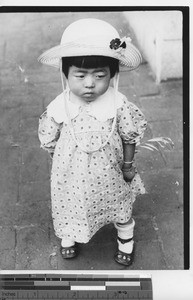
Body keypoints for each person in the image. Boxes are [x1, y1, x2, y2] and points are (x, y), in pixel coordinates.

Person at [38, 18, 147, 266]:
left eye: (100, 75)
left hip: (111, 173)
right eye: (80, 75)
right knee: (70, 203)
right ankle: (68, 235)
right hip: (71, 175)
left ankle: (125, 239)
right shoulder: (60, 105)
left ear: (113, 75)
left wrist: (128, 165)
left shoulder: (118, 103)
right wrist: (60, 164)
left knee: (119, 206)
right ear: (65, 74)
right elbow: (49, 139)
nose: (89, 83)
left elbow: (129, 134)